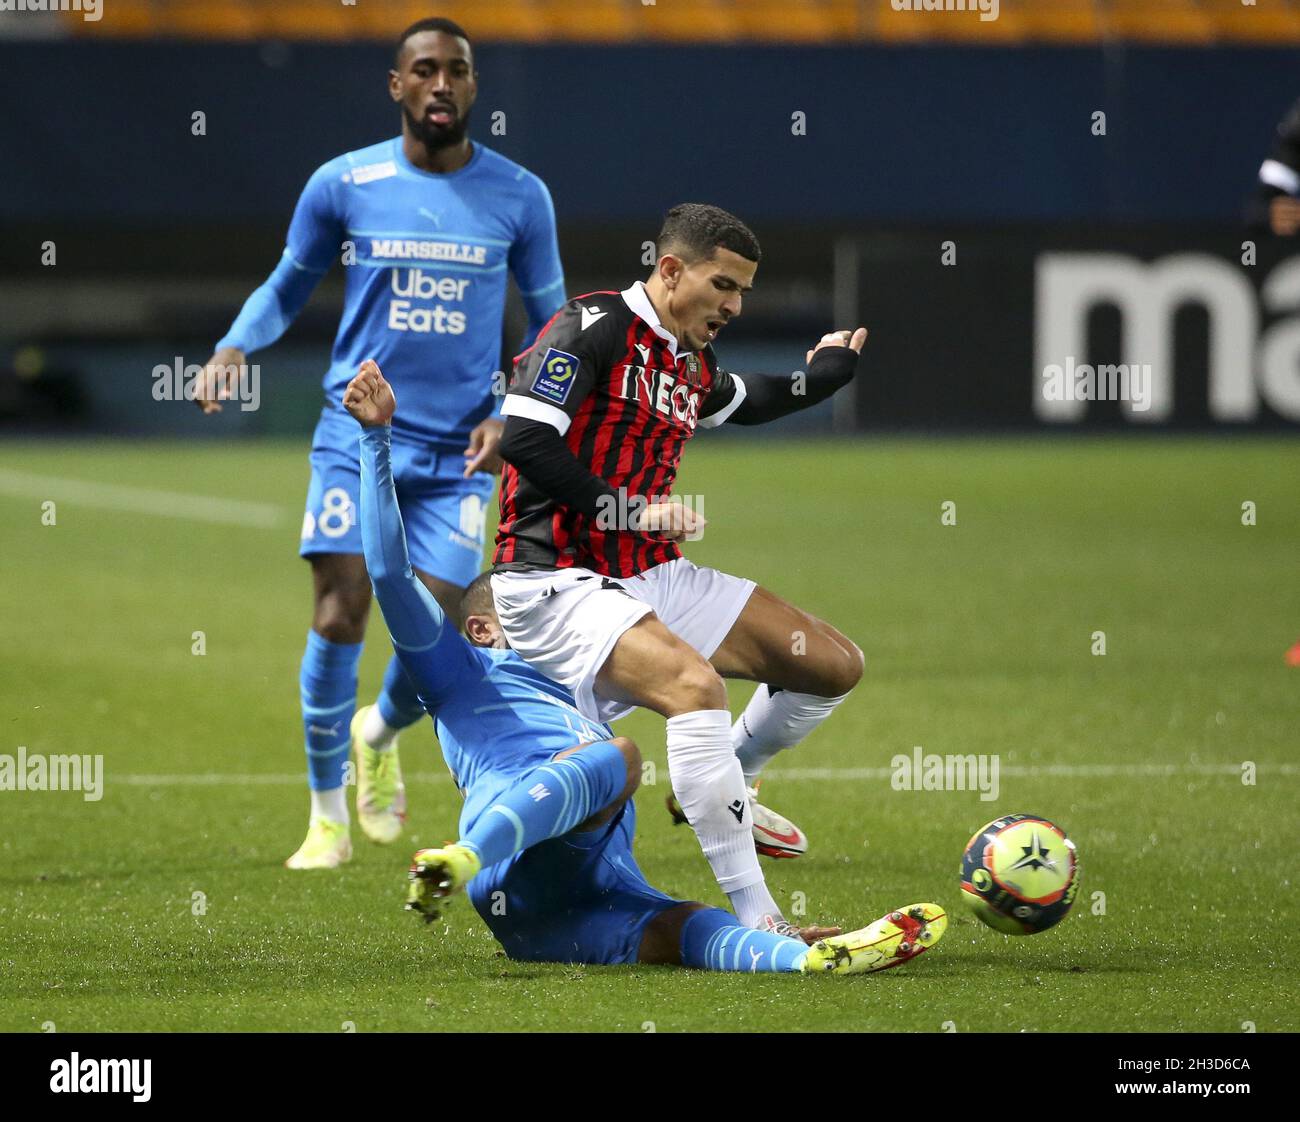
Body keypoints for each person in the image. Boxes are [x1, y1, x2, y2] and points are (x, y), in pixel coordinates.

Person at [344, 358, 946, 975]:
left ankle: (801, 958)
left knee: (689, 925)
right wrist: (375, 437)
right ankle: (460, 856)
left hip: (557, 911)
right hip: (508, 855)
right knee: (621, 758)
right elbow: (391, 573)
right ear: (483, 628)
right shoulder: (459, 674)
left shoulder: (587, 677)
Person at [195, 18, 565, 868]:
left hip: (461, 449)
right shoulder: (344, 183)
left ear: (475, 87)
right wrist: (231, 348)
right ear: (397, 85)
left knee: (430, 625)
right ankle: (325, 818)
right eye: (425, 70)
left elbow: (552, 323)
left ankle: (379, 729)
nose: (442, 84)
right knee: (341, 605)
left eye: (458, 71)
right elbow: (290, 281)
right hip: (355, 429)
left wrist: (514, 409)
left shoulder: (519, 195)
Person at [490, 203, 866, 933]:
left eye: (744, 292)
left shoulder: (686, 360)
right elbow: (525, 442)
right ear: (670, 269)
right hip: (555, 579)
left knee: (831, 665)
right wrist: (627, 509)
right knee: (696, 689)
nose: (733, 305)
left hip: (649, 572)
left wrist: (816, 380)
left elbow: (740, 399)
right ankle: (762, 924)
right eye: (723, 285)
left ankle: (738, 780)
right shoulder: (589, 329)